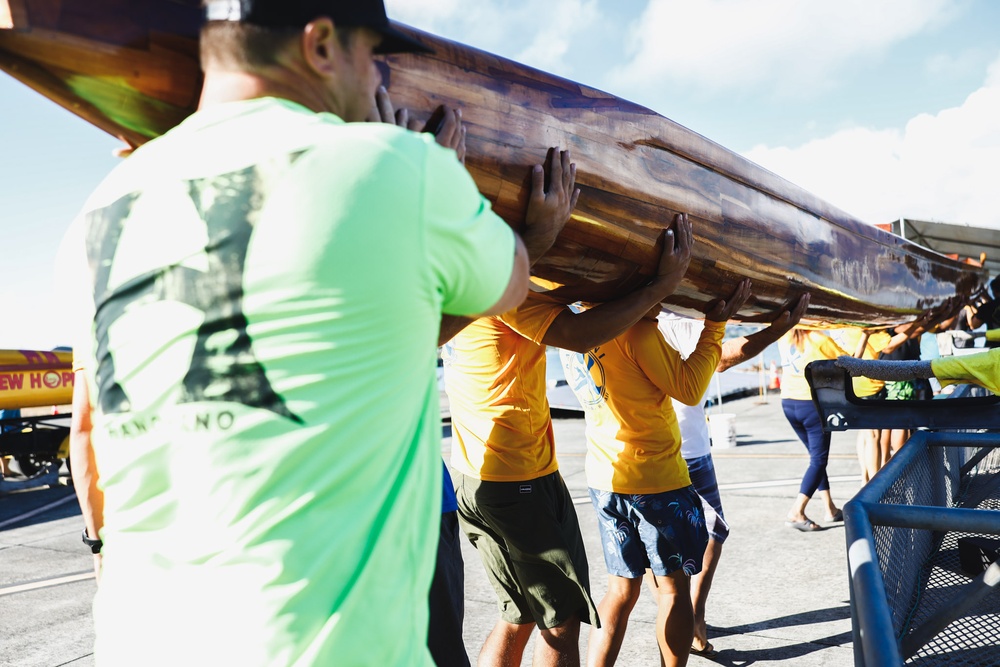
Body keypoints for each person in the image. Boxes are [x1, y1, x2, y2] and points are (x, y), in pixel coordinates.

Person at [58, 1, 574, 663]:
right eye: (374, 58)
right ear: (322, 44)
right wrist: (443, 183)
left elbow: (93, 429)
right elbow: (509, 279)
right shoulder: (393, 167)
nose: (379, 83)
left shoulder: (100, 210)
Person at [444, 213, 694, 667]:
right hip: (519, 477)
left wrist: (601, 288)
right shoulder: (505, 292)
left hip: (470, 475)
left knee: (517, 613)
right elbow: (579, 334)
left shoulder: (460, 283)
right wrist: (658, 286)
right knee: (559, 623)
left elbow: (558, 298)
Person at [558, 280, 748, 666]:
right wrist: (715, 325)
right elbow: (691, 388)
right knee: (673, 590)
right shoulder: (639, 331)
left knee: (620, 591)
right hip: (656, 480)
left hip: (604, 478)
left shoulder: (573, 331)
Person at [656, 292, 810, 655]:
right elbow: (723, 359)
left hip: (661, 449)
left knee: (662, 546)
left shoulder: (626, 316)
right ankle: (690, 615)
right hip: (686, 450)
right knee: (711, 531)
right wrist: (778, 329)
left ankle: (683, 613)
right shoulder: (669, 318)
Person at [778, 328, 868, 531]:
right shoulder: (819, 339)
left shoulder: (785, 336)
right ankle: (796, 511)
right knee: (818, 460)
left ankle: (830, 508)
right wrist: (866, 335)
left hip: (788, 403)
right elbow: (852, 364)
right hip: (811, 406)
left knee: (816, 459)